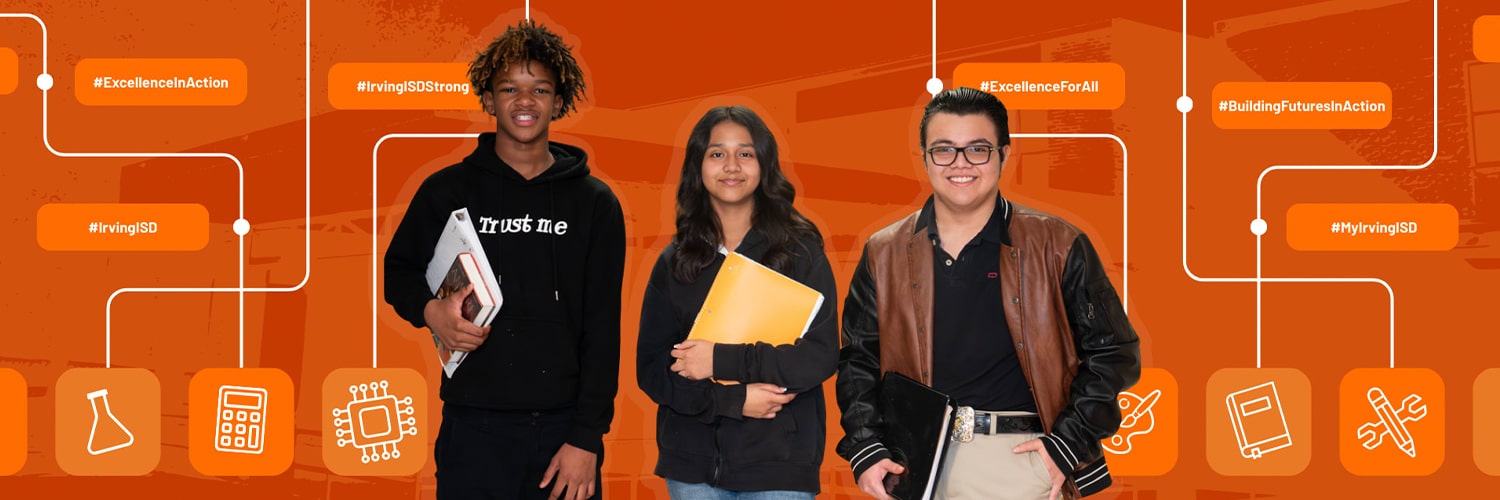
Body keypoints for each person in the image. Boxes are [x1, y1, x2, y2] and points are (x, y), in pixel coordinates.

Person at [835, 87, 1140, 500]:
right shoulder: (883, 251)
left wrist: (1066, 445)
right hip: (915, 466)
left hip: (1021, 461)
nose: (960, 164)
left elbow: (1114, 352)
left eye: (977, 149)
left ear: (1003, 154)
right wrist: (866, 448)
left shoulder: (1058, 243)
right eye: (944, 150)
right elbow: (858, 361)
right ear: (925, 157)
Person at [383, 20, 625, 500]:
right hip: (473, 429)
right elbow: (398, 273)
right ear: (489, 101)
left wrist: (586, 438)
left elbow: (603, 328)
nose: (524, 101)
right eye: (509, 88)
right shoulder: (446, 190)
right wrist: (432, 312)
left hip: (563, 431)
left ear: (558, 102)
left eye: (540, 89)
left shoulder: (595, 204)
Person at [636, 106, 839, 499]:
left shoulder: (800, 254)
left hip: (780, 467)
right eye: (717, 153)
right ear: (698, 166)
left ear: (764, 163)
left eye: (745, 153)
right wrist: (733, 400)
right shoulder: (674, 261)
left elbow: (818, 357)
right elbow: (652, 370)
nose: (731, 166)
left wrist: (719, 360)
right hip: (692, 468)